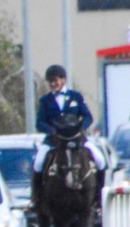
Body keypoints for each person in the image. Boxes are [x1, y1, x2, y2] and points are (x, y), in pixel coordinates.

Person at [31, 63, 106, 210]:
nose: (53, 84)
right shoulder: (45, 101)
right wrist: (52, 131)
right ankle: (37, 199)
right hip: (55, 141)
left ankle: (99, 196)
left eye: (56, 80)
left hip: (77, 139)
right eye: (50, 81)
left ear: (63, 80)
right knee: (38, 162)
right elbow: (40, 123)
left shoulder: (75, 97)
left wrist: (80, 129)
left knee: (100, 159)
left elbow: (87, 117)